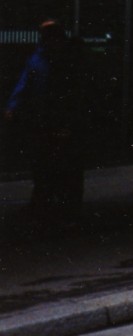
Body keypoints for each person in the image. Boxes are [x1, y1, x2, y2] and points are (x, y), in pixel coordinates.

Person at [4, 20, 86, 225]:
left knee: (55, 164)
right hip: (50, 119)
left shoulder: (50, 60)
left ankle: (54, 205)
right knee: (52, 163)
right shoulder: (47, 59)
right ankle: (54, 205)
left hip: (54, 118)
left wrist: (14, 105)